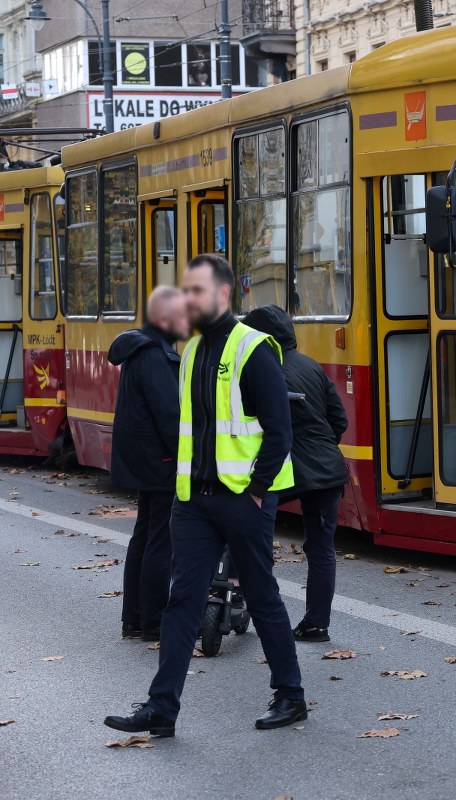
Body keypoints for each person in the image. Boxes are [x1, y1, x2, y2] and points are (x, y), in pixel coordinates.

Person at [104, 254, 305, 737]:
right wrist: (183, 492)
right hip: (193, 501)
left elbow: (280, 430)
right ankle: (161, 708)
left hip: (243, 499)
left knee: (261, 596)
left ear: (224, 294)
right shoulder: (191, 350)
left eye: (197, 291)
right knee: (182, 603)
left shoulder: (253, 348)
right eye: (185, 290)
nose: (188, 299)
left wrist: (257, 490)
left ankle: (291, 695)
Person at [243, 304, 348, 643]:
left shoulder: (259, 368)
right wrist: (321, 449)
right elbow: (339, 421)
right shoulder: (311, 366)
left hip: (279, 470)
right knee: (321, 548)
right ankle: (317, 624)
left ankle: (249, 608)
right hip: (326, 469)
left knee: (249, 538)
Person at [108, 286, 190, 642]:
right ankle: (153, 620)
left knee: (144, 535)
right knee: (161, 539)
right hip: (161, 458)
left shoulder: (139, 350)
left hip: (142, 456)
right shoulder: (156, 356)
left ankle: (134, 618)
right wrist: (186, 457)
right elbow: (169, 415)